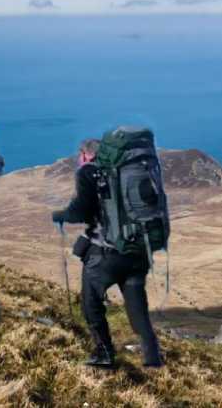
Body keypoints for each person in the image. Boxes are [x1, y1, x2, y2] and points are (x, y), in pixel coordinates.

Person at [52, 139, 163, 368]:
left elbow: (80, 210)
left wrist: (60, 215)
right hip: (137, 254)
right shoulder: (127, 175)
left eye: (79, 156)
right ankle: (153, 358)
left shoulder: (90, 174)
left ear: (85, 155)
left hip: (106, 256)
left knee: (91, 304)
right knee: (136, 309)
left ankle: (104, 353)